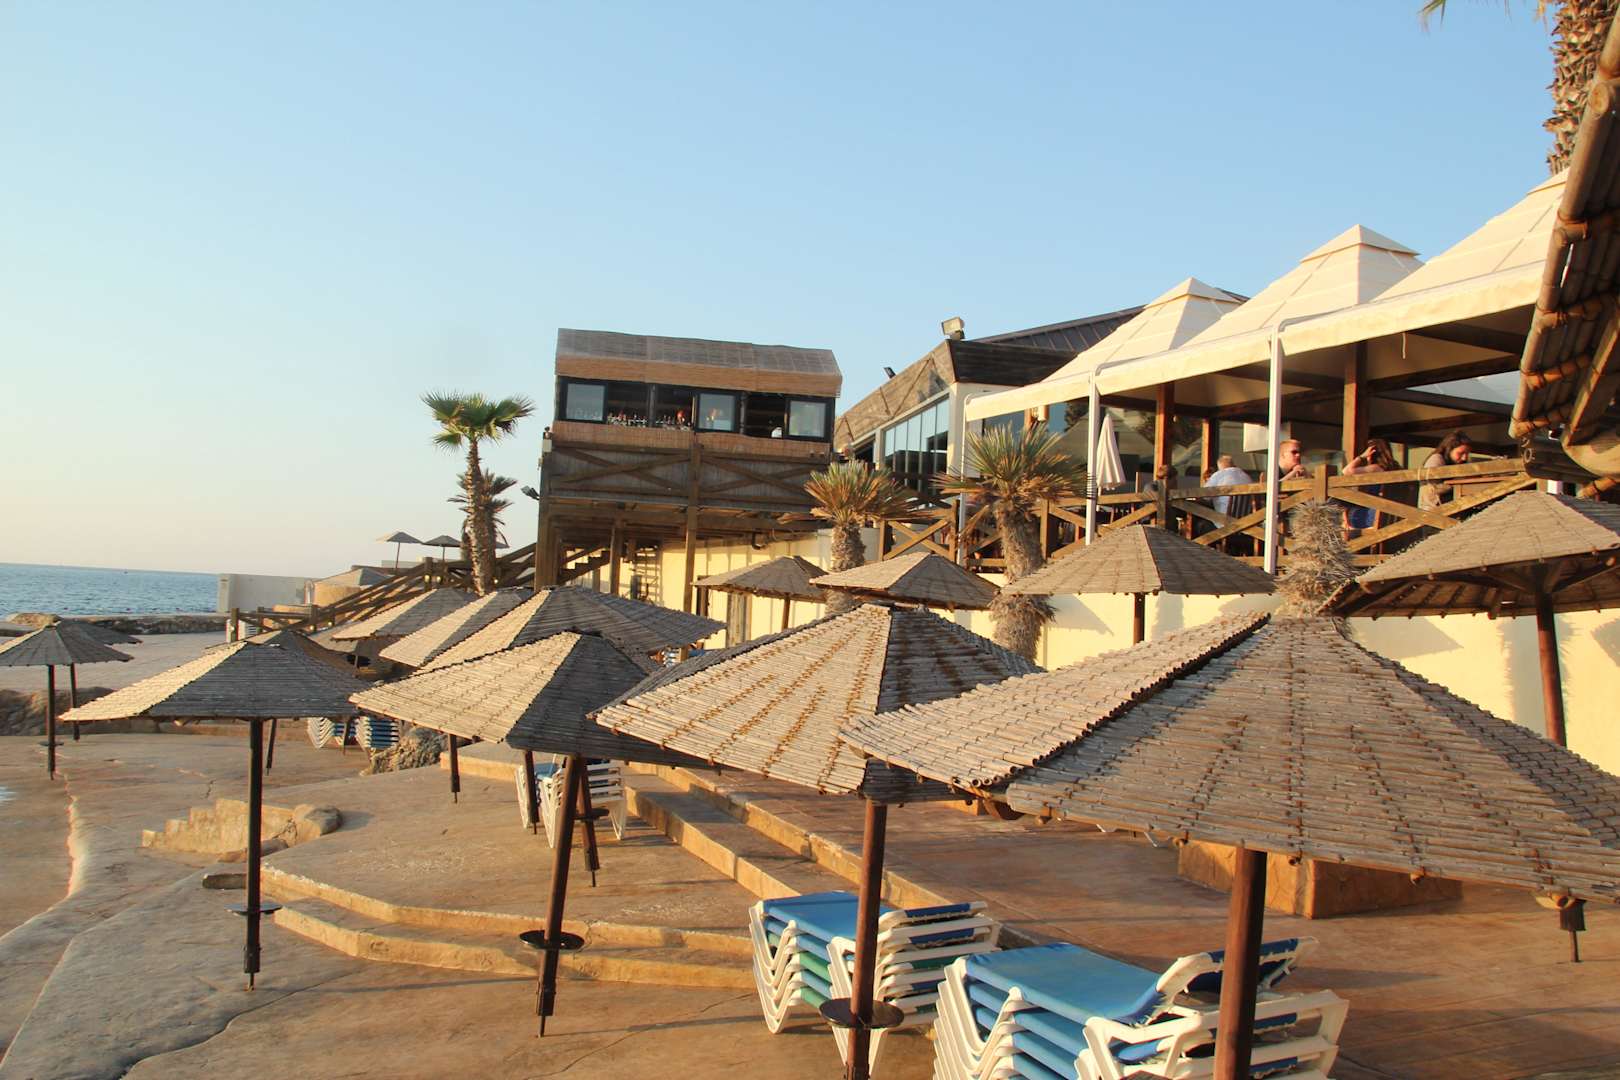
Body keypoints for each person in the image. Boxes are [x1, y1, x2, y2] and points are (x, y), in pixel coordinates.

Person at [1340, 438, 1396, 538]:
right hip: (1391, 515)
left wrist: (1361, 456)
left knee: (1345, 515)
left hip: (1374, 515)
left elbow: (1346, 471)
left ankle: (1353, 540)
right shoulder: (1396, 469)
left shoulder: (1377, 468)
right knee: (1348, 512)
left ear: (1372, 452)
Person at [1419, 430, 1472, 511]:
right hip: (1432, 510)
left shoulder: (1456, 463)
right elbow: (1433, 488)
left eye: (1467, 454)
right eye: (1460, 453)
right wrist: (1458, 482)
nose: (1464, 458)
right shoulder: (1436, 459)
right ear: (1449, 449)